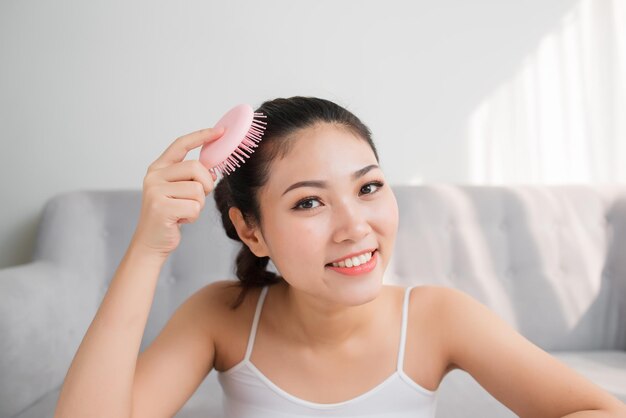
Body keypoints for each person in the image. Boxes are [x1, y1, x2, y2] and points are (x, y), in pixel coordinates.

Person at [54, 97, 626, 417]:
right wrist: (148, 249)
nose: (355, 227)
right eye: (309, 202)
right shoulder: (222, 317)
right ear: (251, 231)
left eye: (369, 187)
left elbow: (600, 412)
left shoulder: (437, 319)